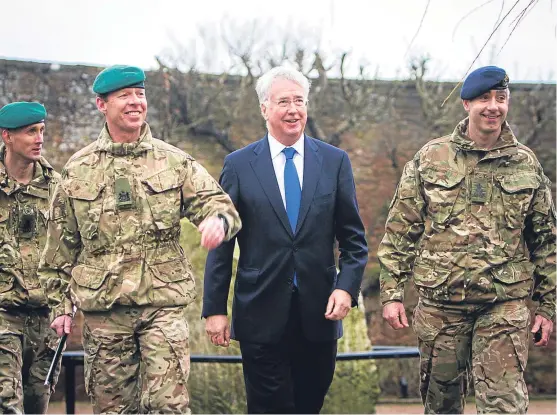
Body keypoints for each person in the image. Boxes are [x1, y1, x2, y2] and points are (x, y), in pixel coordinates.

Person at [37, 65, 242, 414]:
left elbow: (219, 204)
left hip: (162, 303)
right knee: (113, 409)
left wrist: (218, 222)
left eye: (140, 94)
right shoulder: (78, 169)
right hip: (105, 311)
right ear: (102, 104)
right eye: (124, 96)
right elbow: (59, 248)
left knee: (168, 406)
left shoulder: (174, 161)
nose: (135, 102)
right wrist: (60, 306)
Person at [378, 66, 555, 414]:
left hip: (503, 303)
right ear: (466, 104)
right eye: (484, 99)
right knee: (441, 405)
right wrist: (391, 294)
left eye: (501, 99)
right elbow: (401, 229)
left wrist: (548, 306)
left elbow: (547, 242)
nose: (493, 107)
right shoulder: (431, 158)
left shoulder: (526, 164)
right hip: (441, 303)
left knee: (504, 406)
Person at [202, 65, 368, 414]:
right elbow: (224, 241)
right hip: (260, 313)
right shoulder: (239, 165)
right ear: (264, 108)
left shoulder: (335, 162)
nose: (293, 110)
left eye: (299, 101)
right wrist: (215, 309)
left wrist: (346, 287)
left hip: (319, 314)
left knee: (308, 406)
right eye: (283, 102)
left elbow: (354, 241)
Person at [0, 102, 62, 414]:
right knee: (7, 405)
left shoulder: (58, 187)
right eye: (30, 132)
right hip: (2, 314)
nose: (39, 138)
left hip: (45, 318)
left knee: (38, 403)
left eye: (41, 131)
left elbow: (73, 247)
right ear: (7, 137)